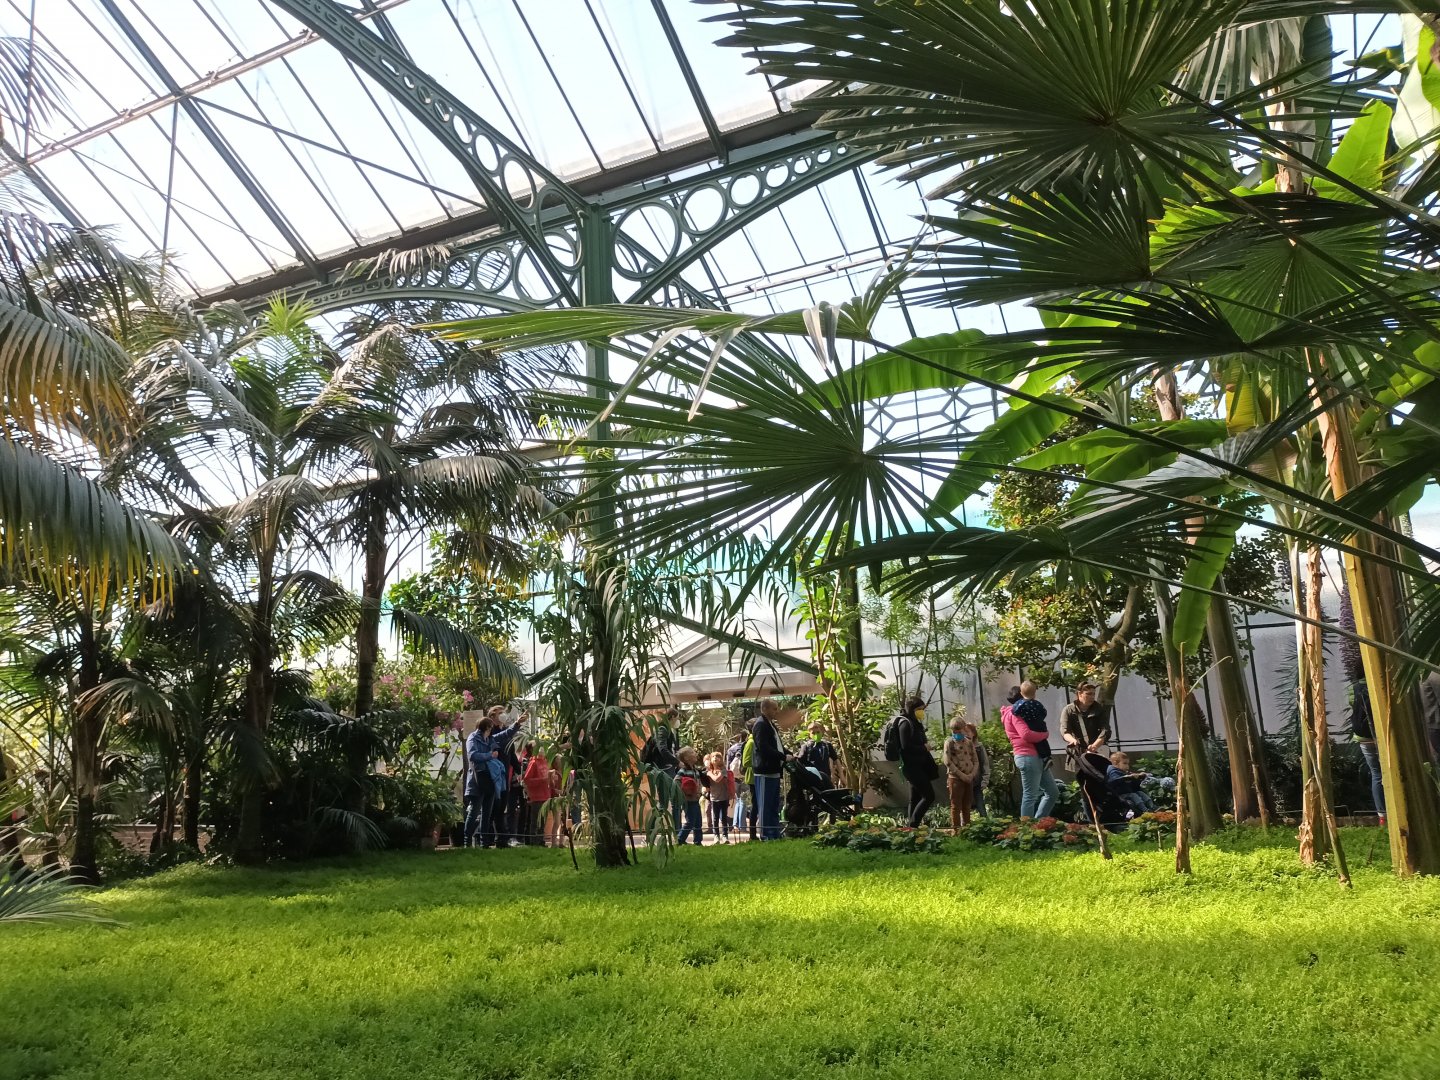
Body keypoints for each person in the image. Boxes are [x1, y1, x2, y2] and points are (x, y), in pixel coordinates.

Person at [463, 708, 525, 848]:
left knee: (487, 813)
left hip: (490, 780)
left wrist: (516, 724)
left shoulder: (489, 738)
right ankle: (467, 841)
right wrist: (490, 755)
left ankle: (485, 843)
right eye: (490, 728)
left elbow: (505, 735)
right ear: (487, 727)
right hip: (477, 781)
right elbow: (473, 756)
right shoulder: (473, 738)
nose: (492, 731)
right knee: (474, 812)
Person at [1004, 683, 1058, 819]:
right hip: (1027, 756)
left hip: (1037, 755)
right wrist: (1044, 734)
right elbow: (1026, 735)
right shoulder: (1015, 714)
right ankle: (1026, 830)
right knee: (1030, 795)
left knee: (1052, 792)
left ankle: (1038, 823)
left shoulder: (1022, 712)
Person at [896, 695, 939, 828]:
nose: (922, 711)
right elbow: (905, 746)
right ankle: (913, 825)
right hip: (911, 766)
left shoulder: (916, 724)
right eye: (920, 709)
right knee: (929, 796)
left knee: (915, 798)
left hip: (919, 765)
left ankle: (911, 829)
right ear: (913, 709)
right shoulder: (905, 724)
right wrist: (924, 747)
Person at [751, 699, 788, 840]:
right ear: (765, 708)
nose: (776, 711)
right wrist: (783, 757)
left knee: (773, 804)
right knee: (765, 805)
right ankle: (766, 835)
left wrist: (788, 754)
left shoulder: (771, 725)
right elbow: (764, 747)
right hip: (765, 771)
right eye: (774, 708)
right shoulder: (760, 725)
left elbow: (777, 746)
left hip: (774, 771)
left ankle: (774, 833)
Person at [642, 710, 683, 832]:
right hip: (663, 769)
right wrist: (677, 762)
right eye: (677, 718)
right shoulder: (663, 730)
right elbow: (663, 749)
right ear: (672, 717)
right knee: (666, 801)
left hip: (666, 768)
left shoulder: (666, 730)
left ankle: (673, 830)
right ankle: (653, 829)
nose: (677, 721)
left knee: (667, 801)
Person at [1351, 679, 1385, 822]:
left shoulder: (1354, 687)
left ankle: (1382, 815)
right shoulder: (1379, 679)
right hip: (1381, 734)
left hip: (1363, 737)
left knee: (1376, 774)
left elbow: (1352, 704)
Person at [942, 716, 979, 832]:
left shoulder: (968, 742)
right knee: (956, 805)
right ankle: (956, 830)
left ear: (964, 729)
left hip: (969, 777)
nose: (957, 734)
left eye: (959, 731)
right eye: (954, 732)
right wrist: (961, 775)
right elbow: (947, 761)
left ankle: (967, 829)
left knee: (967, 805)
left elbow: (975, 760)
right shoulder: (949, 743)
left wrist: (972, 774)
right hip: (956, 778)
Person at [1061, 682, 1110, 755]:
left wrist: (1095, 746)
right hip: (1077, 752)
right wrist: (1072, 741)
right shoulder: (1068, 710)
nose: (1092, 697)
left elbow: (1105, 730)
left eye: (1094, 694)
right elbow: (1065, 731)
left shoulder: (1099, 710)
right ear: (1079, 694)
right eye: (1089, 694)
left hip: (1098, 750)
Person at [675, 747, 705, 846]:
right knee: (690, 821)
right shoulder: (683, 771)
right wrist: (684, 792)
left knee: (698, 821)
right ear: (687, 758)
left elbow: (698, 783)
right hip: (688, 800)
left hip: (695, 799)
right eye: (692, 752)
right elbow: (676, 781)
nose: (695, 753)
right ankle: (680, 839)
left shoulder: (695, 770)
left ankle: (698, 841)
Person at [522, 743, 551, 845]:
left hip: (545, 795)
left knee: (543, 820)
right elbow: (527, 779)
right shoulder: (533, 763)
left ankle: (541, 840)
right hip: (537, 796)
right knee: (536, 820)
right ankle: (534, 842)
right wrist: (541, 780)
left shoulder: (545, 761)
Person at [705, 751, 734, 842]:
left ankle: (725, 835)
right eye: (713, 756)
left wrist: (709, 774)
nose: (715, 758)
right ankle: (716, 836)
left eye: (718, 756)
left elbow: (717, 779)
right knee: (715, 818)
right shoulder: (709, 771)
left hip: (724, 797)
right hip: (714, 798)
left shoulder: (723, 771)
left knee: (724, 818)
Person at [798, 722, 838, 786]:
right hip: (812, 778)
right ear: (809, 734)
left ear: (822, 732)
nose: (816, 735)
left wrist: (841, 776)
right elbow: (800, 761)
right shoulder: (806, 746)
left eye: (818, 732)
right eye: (813, 733)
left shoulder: (827, 745)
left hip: (826, 777)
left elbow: (836, 759)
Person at [726, 731, 748, 836]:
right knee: (743, 801)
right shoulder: (747, 746)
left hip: (734, 777)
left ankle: (735, 825)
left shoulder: (731, 749)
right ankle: (742, 826)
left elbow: (728, 766)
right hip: (744, 776)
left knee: (738, 801)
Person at [972, 724, 991, 818]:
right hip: (964, 781)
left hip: (977, 781)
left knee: (980, 804)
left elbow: (985, 764)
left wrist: (985, 780)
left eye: (968, 731)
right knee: (965, 805)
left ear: (973, 734)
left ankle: (986, 824)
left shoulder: (979, 747)